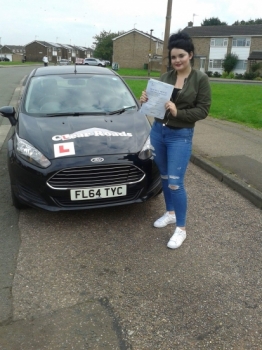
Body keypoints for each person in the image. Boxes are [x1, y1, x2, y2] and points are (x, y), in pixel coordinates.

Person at [140, 32, 211, 249]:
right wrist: (145, 100)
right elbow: (154, 103)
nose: (177, 60)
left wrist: (178, 112)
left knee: (175, 182)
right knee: (163, 175)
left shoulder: (200, 79)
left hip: (180, 135)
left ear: (190, 55)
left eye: (181, 56)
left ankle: (181, 228)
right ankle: (170, 213)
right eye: (173, 57)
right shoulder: (165, 78)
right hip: (159, 132)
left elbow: (203, 110)